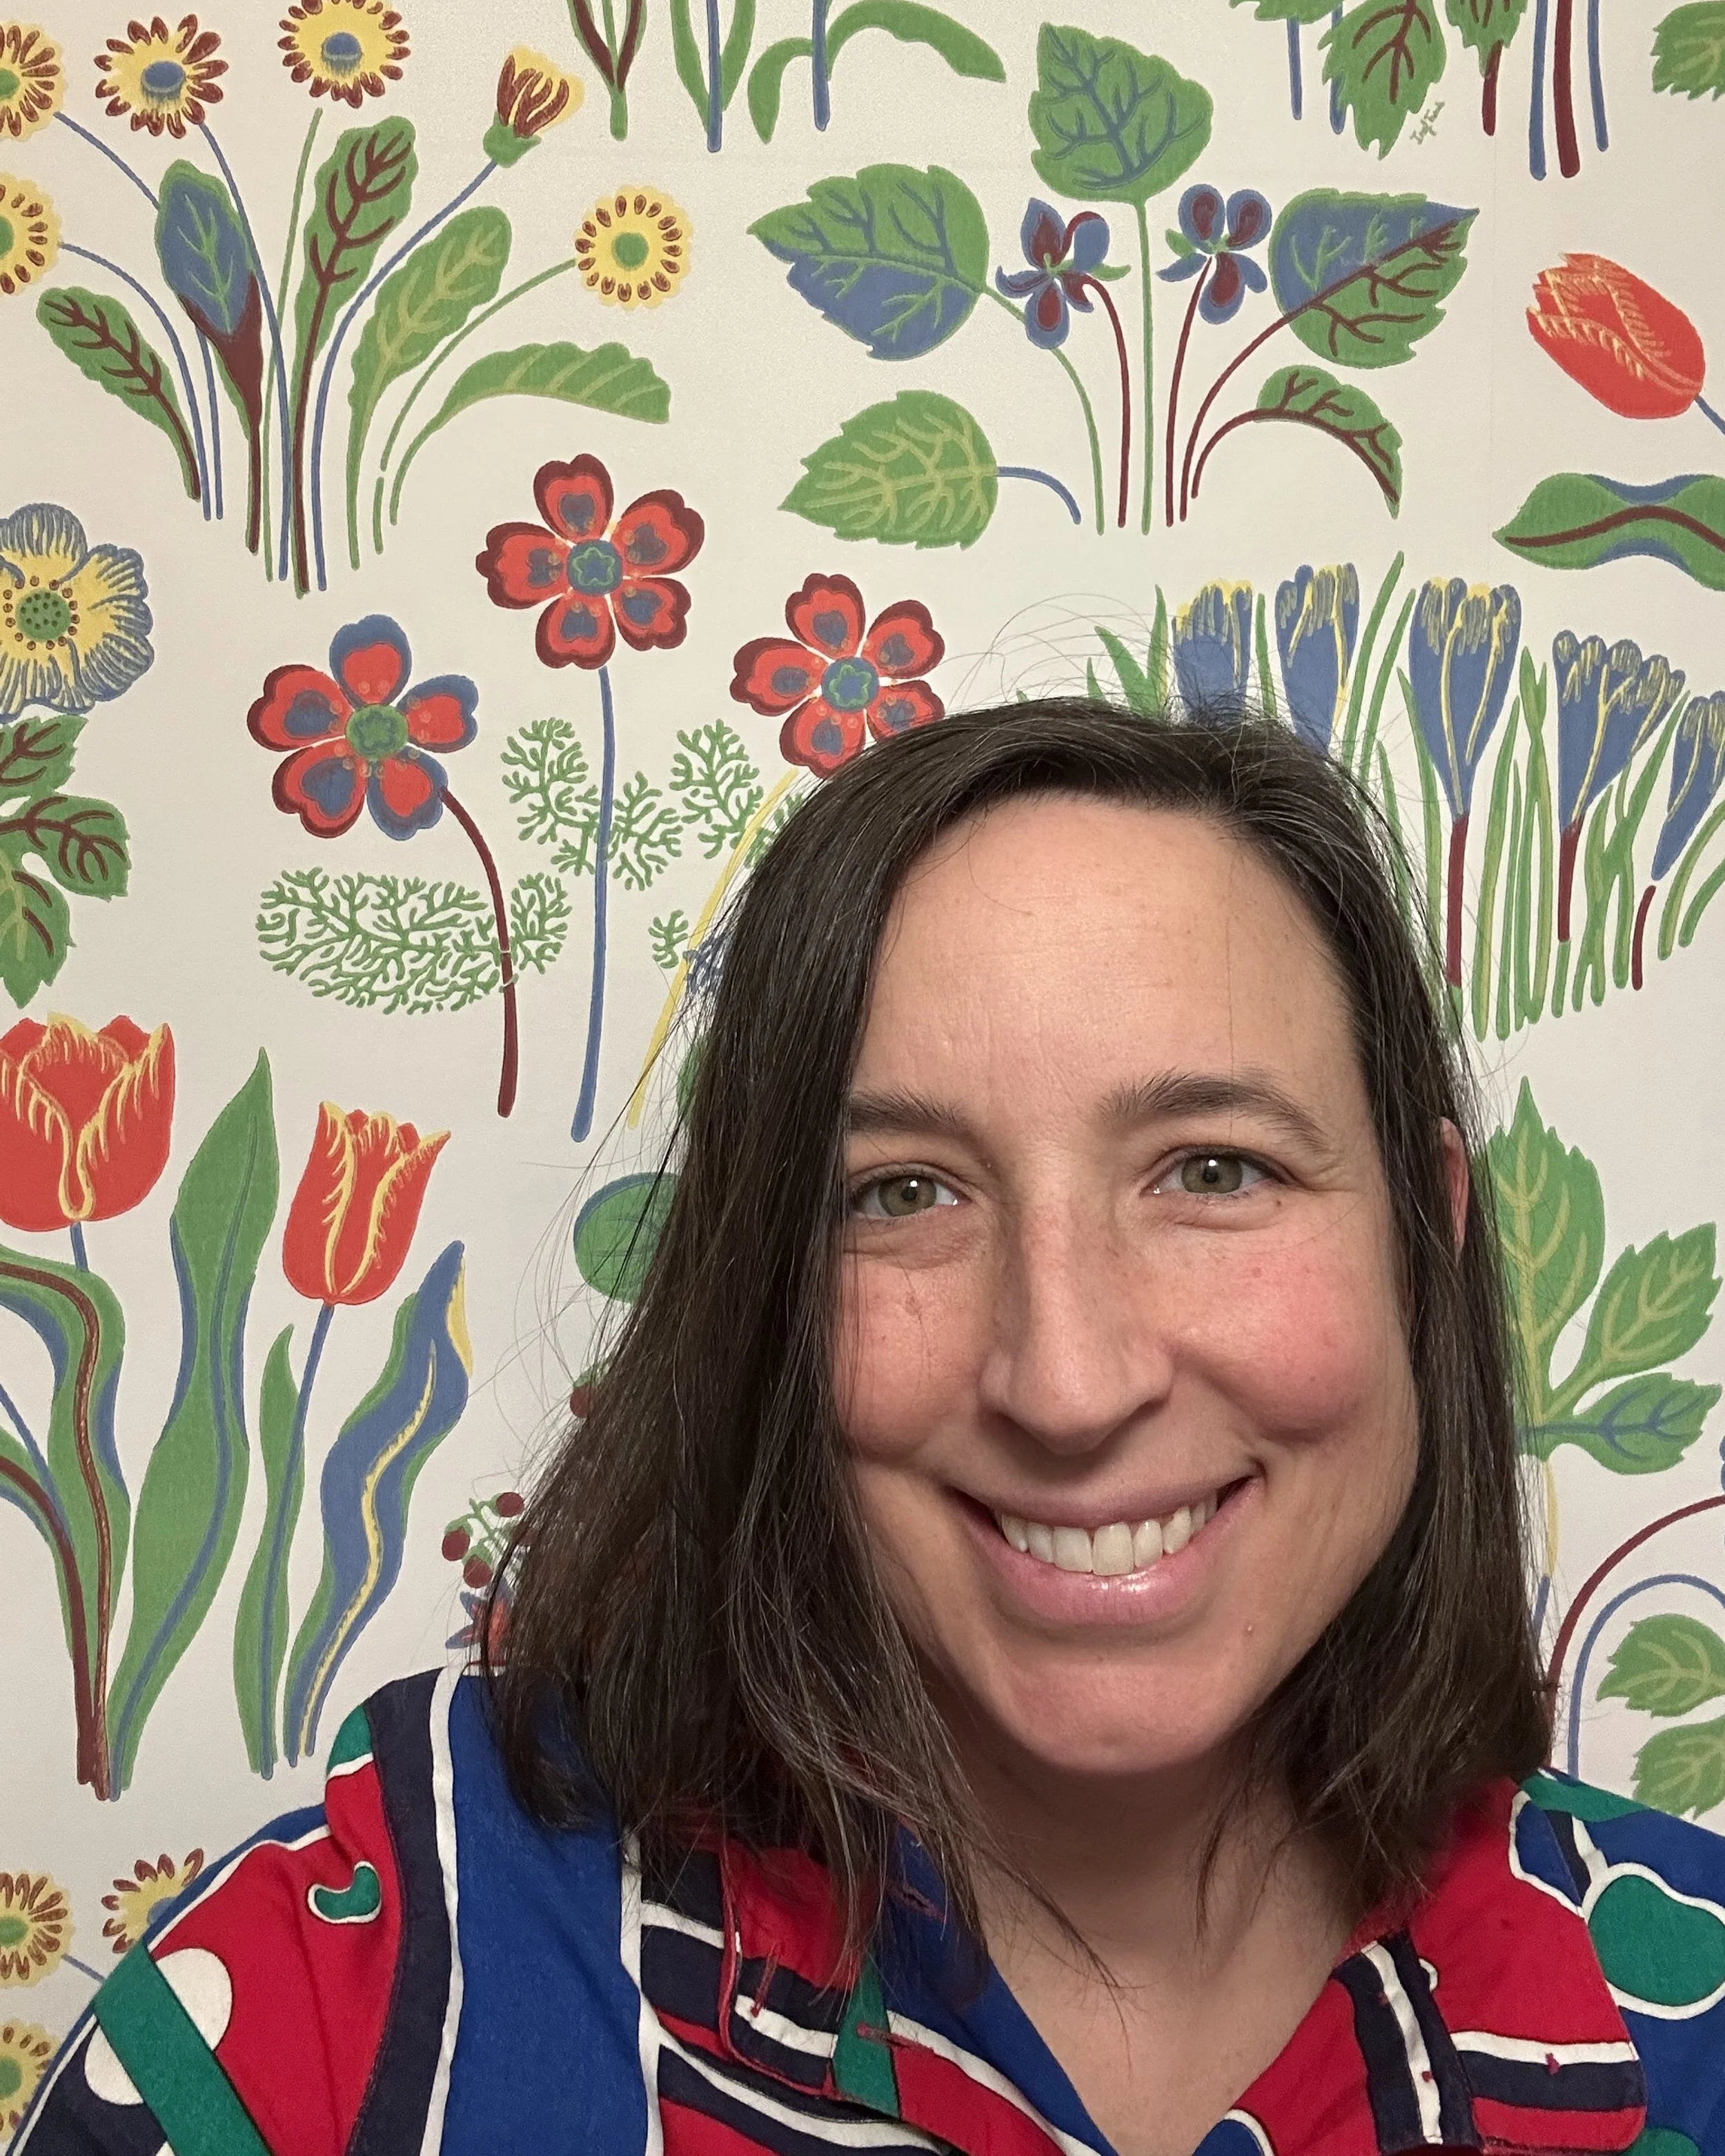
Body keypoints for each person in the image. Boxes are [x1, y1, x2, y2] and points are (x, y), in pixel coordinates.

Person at [20, 700, 1725, 2156]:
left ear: (1423, 1233)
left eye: (1213, 1170)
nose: (1066, 1380)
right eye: (899, 1193)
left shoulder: (1684, 2010)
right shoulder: (325, 2007)